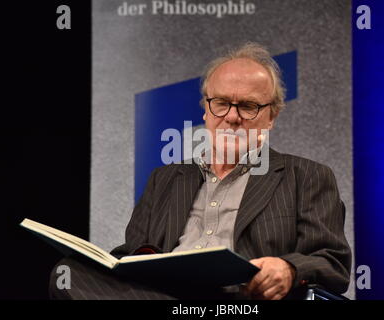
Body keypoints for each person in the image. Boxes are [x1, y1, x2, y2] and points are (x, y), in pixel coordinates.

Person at [49, 42, 351, 300]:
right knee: (71, 273)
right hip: (162, 293)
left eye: (248, 106)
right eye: (221, 103)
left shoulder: (307, 176)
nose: (232, 117)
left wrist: (289, 269)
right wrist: (126, 261)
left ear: (271, 116)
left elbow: (332, 264)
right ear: (206, 110)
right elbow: (132, 253)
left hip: (240, 299)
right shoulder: (164, 179)